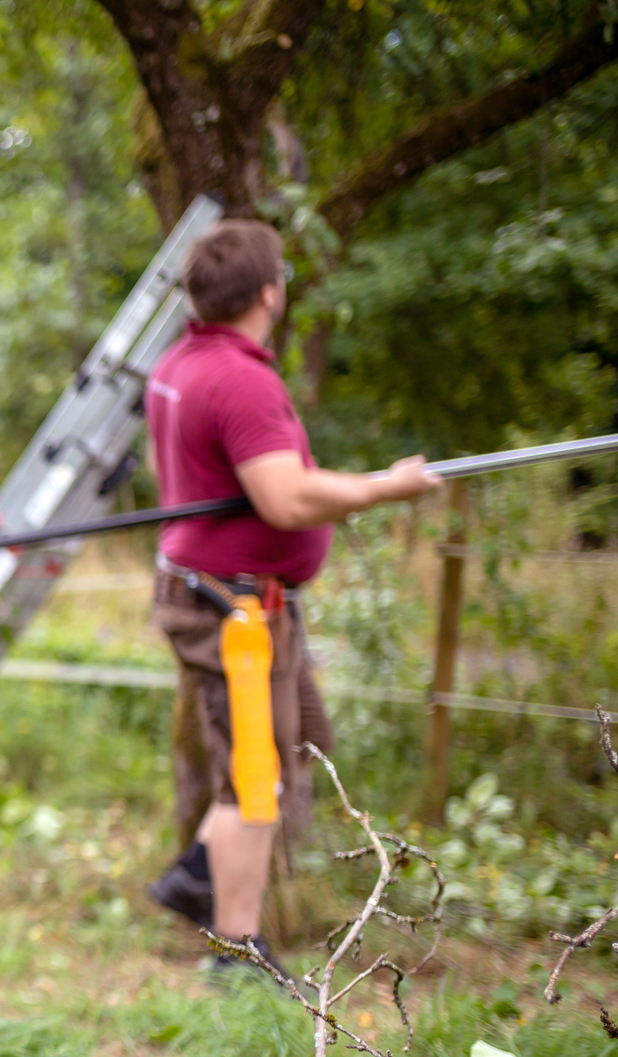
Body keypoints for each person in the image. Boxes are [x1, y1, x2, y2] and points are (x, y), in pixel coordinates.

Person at [144, 219, 438, 976]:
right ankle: (237, 952)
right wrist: (386, 487)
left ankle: (194, 876)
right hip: (233, 613)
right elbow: (285, 499)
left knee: (275, 752)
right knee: (255, 779)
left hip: (223, 598)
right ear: (270, 293)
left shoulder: (179, 361)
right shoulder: (240, 379)